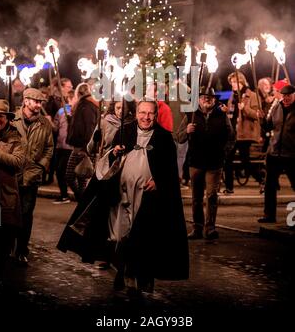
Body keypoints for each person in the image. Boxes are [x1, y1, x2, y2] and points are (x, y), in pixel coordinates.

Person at [58, 99, 189, 295]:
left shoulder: (163, 138)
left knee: (141, 237)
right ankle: (124, 270)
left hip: (146, 197)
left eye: (150, 113)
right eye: (142, 113)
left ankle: (136, 276)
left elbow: (170, 170)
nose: (146, 117)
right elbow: (109, 158)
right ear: (136, 113)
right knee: (119, 234)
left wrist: (160, 182)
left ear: (155, 115)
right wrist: (114, 153)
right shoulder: (125, 131)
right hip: (121, 194)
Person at [177, 87, 234, 240]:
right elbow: (179, 137)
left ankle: (210, 228)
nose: (207, 100)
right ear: (199, 100)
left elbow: (231, 136)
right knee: (196, 197)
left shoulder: (221, 115)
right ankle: (197, 228)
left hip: (215, 163)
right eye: (203, 97)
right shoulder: (191, 115)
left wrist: (224, 153)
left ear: (214, 100)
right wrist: (187, 131)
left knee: (211, 196)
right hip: (196, 162)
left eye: (210, 97)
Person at [13, 88, 54, 265]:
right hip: (11, 175)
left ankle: (22, 250)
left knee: (26, 214)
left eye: (40, 102)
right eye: (35, 101)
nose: (39, 105)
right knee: (5, 212)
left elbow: (49, 148)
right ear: (26, 101)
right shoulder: (12, 119)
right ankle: (5, 245)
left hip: (31, 176)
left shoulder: (44, 124)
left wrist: (41, 166)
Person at [0, 99, 25, 277]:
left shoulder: (14, 138)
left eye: (0, 116)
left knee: (2, 239)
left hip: (4, 198)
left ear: (6, 118)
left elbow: (18, 162)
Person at [258, 84, 295, 223]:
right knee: (270, 185)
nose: (286, 98)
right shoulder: (277, 107)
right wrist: (262, 120)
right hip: (274, 152)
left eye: (289, 96)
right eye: (284, 95)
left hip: (291, 154)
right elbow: (269, 126)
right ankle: (269, 215)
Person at [223, 71, 261, 193]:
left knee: (245, 161)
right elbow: (232, 113)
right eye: (232, 82)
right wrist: (226, 110)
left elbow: (258, 115)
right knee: (227, 159)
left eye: (235, 82)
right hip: (233, 133)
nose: (233, 85)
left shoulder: (252, 95)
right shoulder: (232, 96)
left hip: (245, 134)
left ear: (242, 82)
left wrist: (245, 108)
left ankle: (262, 180)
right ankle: (229, 187)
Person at [65, 83, 99, 202]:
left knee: (71, 175)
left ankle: (83, 201)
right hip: (80, 146)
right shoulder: (83, 105)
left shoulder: (87, 106)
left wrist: (86, 149)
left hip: (82, 147)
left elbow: (89, 128)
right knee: (81, 178)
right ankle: (82, 203)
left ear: (78, 93)